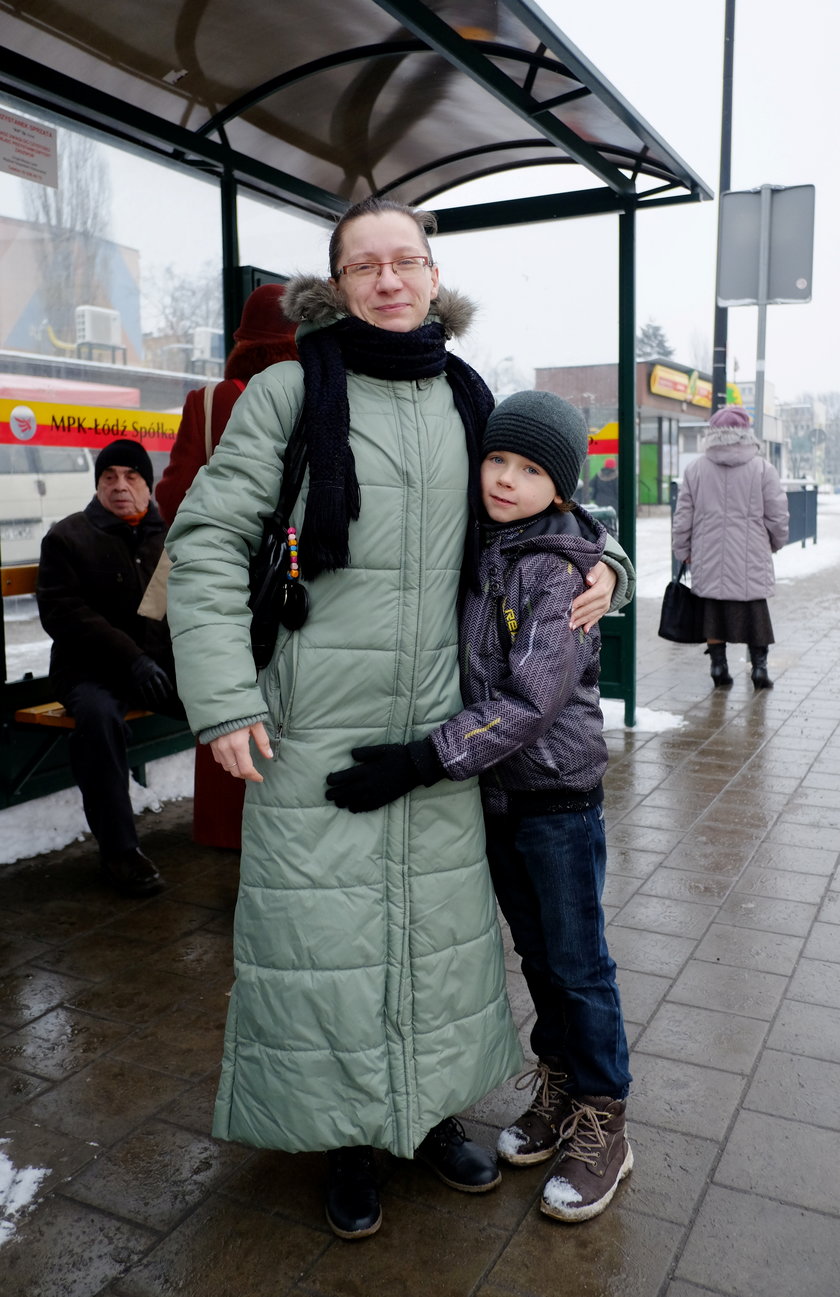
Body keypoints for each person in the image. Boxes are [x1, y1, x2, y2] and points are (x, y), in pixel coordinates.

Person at [165, 196, 629, 1241]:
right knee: (322, 943)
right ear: (337, 282)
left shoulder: (466, 397)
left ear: (432, 275)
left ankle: (424, 1119)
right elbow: (202, 545)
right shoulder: (288, 392)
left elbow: (543, 519)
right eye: (363, 263)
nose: (387, 279)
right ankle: (348, 1138)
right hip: (312, 732)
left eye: (405, 260)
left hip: (437, 738)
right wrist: (225, 697)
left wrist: (614, 572)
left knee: (436, 944)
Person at [328, 390, 634, 1224]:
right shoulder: (483, 543)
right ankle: (562, 1083)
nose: (505, 478)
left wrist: (426, 757)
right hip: (499, 799)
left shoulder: (557, 569)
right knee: (536, 957)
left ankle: (603, 1116)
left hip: (558, 801)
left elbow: (531, 700)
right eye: (498, 460)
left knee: (579, 963)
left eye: (531, 469)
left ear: (561, 489)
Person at [156, 284, 299, 850]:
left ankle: (227, 836)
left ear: (243, 340)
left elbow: (172, 498)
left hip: (229, 589)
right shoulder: (319, 394)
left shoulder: (212, 401)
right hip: (300, 584)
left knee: (227, 702)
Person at [36, 439, 183, 897]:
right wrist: (132, 659)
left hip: (154, 668)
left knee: (229, 700)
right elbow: (65, 613)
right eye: (109, 477)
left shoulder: (168, 539)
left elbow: (171, 610)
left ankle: (260, 823)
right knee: (98, 720)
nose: (120, 486)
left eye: (131, 476)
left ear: (148, 484)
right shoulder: (67, 537)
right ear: (98, 485)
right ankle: (121, 853)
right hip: (89, 670)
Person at [672, 404, 789, 689]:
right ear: (745, 433)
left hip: (709, 556)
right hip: (751, 556)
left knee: (713, 612)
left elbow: (683, 516)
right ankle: (759, 669)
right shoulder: (763, 468)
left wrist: (682, 549)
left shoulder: (695, 469)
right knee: (755, 614)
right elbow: (777, 514)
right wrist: (775, 542)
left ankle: (718, 667)